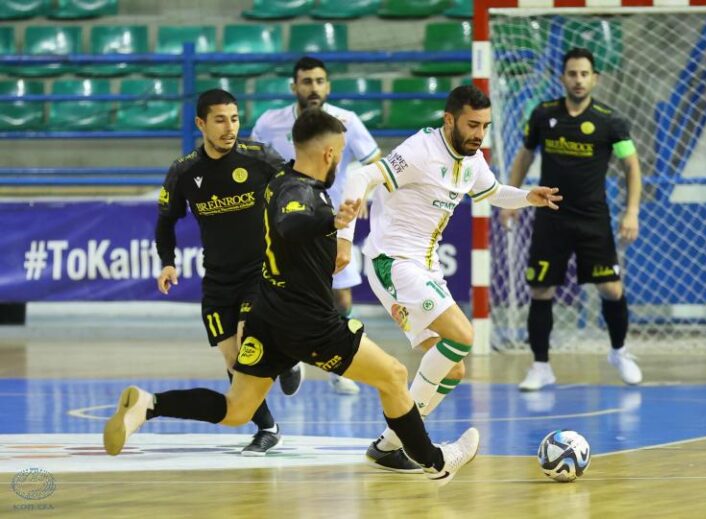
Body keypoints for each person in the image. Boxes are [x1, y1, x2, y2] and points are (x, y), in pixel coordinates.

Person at [104, 108, 480, 487]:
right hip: (310, 322)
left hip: (269, 317)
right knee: (395, 377)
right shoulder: (300, 193)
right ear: (330, 154)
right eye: (341, 150)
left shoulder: (279, 177)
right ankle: (436, 462)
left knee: (237, 408)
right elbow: (289, 223)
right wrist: (328, 222)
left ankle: (149, 405)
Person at [336, 85, 562, 472]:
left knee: (453, 368)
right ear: (448, 119)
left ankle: (389, 445)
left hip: (425, 267)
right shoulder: (421, 151)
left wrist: (528, 196)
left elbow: (491, 191)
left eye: (485, 126)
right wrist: (343, 240)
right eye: (472, 125)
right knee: (463, 335)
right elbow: (360, 177)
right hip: (393, 260)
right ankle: (415, 446)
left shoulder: (472, 160)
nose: (479, 134)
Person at [154, 88, 302, 455]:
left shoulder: (259, 157)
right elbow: (165, 221)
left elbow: (295, 188)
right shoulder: (185, 171)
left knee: (250, 341)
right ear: (201, 123)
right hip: (218, 279)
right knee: (234, 362)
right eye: (220, 120)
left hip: (261, 272)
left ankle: (285, 354)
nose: (229, 127)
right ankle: (268, 427)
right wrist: (168, 262)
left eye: (234, 119)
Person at [504, 47, 643, 391]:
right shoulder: (543, 114)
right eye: (572, 74)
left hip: (593, 219)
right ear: (562, 77)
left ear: (595, 78)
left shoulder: (611, 121)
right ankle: (540, 366)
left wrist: (632, 211)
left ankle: (619, 351)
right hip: (551, 217)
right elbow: (524, 155)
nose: (578, 80)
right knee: (540, 289)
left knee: (611, 289)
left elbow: (632, 166)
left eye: (584, 74)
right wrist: (511, 197)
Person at [251, 56, 381, 396]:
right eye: (306, 81)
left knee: (339, 294)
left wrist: (363, 195)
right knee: (283, 290)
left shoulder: (346, 121)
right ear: (294, 86)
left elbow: (374, 164)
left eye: (319, 81)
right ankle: (288, 356)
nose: (313, 88)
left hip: (333, 224)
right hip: (285, 225)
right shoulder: (269, 123)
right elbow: (252, 160)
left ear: (328, 86)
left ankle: (338, 367)